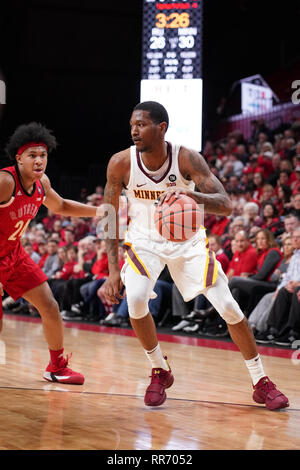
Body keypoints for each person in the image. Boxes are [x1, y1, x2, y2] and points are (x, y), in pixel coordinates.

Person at [102, 101, 289, 410]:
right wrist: (112, 271)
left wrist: (192, 195)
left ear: (161, 128)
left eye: (142, 124)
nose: (134, 130)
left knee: (228, 306)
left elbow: (225, 205)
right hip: (145, 241)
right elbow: (107, 216)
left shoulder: (187, 158)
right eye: (132, 124)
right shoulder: (120, 163)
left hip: (187, 242)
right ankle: (160, 369)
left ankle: (260, 381)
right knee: (134, 299)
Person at [0, 122, 100, 383]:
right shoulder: (5, 182)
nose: (38, 161)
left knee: (50, 305)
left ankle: (56, 367)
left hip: (14, 253)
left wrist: (99, 211)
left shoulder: (42, 183)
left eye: (42, 155)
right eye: (32, 155)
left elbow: (63, 205)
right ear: (18, 158)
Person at [255, 227, 300, 345]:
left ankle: (293, 333)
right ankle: (273, 330)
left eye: (298, 237)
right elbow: (287, 277)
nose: (295, 240)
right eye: (294, 237)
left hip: (298, 287)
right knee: (282, 292)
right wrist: (282, 287)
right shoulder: (295, 255)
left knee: (296, 291)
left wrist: (297, 284)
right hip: (293, 287)